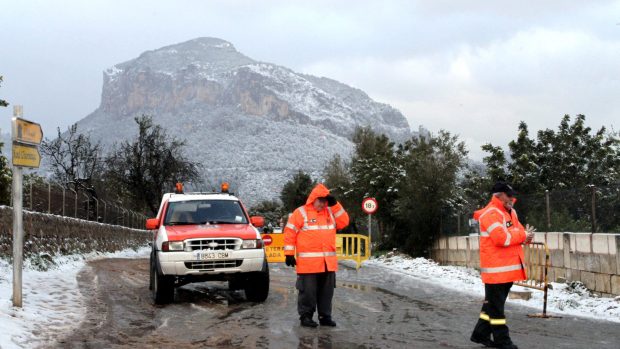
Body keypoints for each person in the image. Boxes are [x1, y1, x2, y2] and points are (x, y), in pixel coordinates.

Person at [470, 181, 536, 349]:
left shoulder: (511, 212)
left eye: (512, 195)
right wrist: (522, 235)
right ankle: (502, 341)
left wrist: (525, 237)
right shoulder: (490, 213)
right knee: (496, 307)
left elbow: (520, 234)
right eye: (508, 195)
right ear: (498, 195)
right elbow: (501, 238)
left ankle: (480, 333)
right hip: (495, 271)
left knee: (492, 304)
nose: (512, 198)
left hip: (507, 270)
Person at [283, 183, 349, 328]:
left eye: (325, 201)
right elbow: (290, 233)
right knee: (308, 292)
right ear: (313, 199)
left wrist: (336, 204)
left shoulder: (331, 212)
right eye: (320, 201)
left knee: (327, 293)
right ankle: (306, 316)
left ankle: (325, 317)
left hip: (328, 263)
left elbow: (344, 222)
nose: (322, 204)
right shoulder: (300, 213)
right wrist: (288, 253)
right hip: (308, 264)